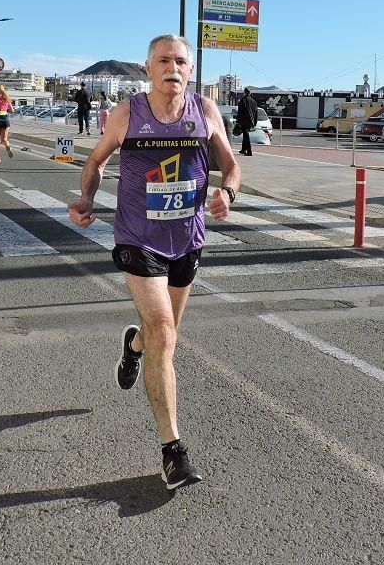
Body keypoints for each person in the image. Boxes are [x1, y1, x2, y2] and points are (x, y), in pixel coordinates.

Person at [68, 34, 241, 490]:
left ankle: (133, 346)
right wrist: (86, 197)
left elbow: (230, 164)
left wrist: (228, 192)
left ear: (190, 69)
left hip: (187, 240)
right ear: (148, 68)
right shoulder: (127, 114)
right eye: (163, 60)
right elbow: (95, 162)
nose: (173, 67)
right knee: (165, 332)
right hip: (137, 238)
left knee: (162, 335)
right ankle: (173, 451)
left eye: (180, 61)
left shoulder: (205, 113)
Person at [236, 87, 257, 156]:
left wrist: (238, 120)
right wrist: (255, 122)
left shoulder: (243, 100)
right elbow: (256, 113)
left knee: (246, 135)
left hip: (244, 120)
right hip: (251, 121)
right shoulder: (254, 101)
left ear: (244, 92)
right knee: (245, 134)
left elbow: (240, 111)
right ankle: (243, 150)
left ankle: (249, 151)